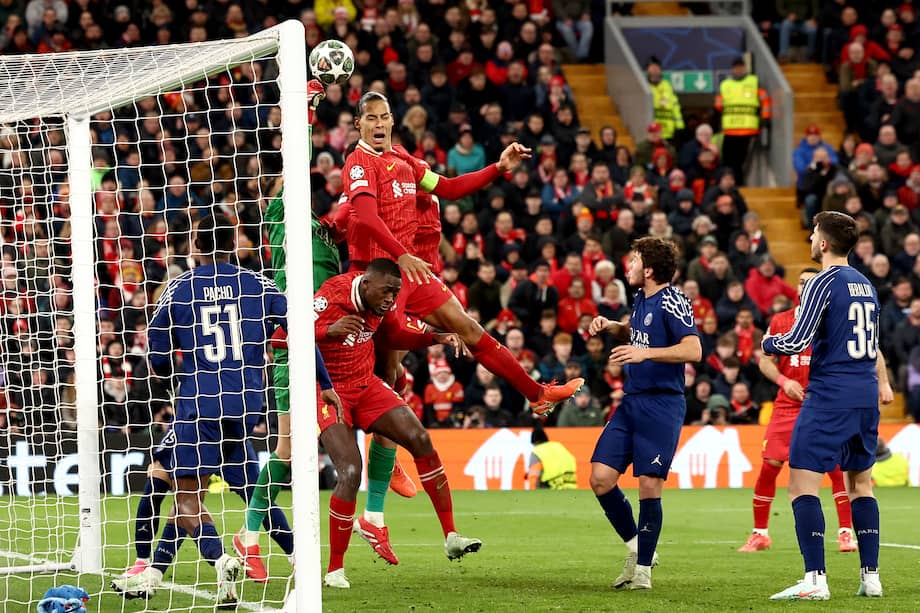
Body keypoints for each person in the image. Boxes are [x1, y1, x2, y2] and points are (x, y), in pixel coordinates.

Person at [112, 214, 292, 606]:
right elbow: (295, 327)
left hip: (199, 404)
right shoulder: (259, 283)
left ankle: (207, 560)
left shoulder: (179, 287)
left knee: (175, 490)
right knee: (249, 490)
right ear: (237, 242)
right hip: (246, 403)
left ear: (195, 244)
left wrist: (168, 379)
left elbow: (156, 354)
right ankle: (298, 557)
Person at [308, 259, 481, 587]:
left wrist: (436, 337)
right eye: (387, 291)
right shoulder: (332, 295)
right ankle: (334, 570)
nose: (391, 299)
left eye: (395, 293)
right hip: (329, 392)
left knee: (419, 438)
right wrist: (327, 331)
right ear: (367, 283)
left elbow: (397, 332)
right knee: (349, 471)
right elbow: (279, 337)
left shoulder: (381, 304)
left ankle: (451, 535)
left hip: (365, 385)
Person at [763, 211, 894, 601]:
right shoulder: (865, 284)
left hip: (829, 395)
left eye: (813, 235)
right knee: (860, 483)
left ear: (823, 243)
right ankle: (871, 577)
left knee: (801, 482)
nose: (810, 240)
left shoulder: (823, 281)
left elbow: (797, 338)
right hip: (864, 396)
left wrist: (768, 343)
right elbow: (870, 346)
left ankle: (815, 579)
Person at [587, 237, 702, 590]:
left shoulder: (674, 299)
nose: (629, 266)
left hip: (662, 404)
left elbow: (693, 349)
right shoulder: (641, 298)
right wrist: (612, 326)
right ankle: (639, 548)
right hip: (632, 401)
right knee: (600, 478)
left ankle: (643, 573)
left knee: (650, 486)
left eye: (634, 260)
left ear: (649, 270)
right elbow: (636, 330)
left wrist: (645, 353)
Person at [738, 268, 857, 554]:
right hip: (788, 405)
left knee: (836, 467)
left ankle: (845, 533)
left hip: (823, 404)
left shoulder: (832, 320)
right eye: (801, 282)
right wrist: (784, 380)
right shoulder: (781, 321)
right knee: (770, 465)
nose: (805, 286)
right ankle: (759, 534)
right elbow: (764, 360)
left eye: (810, 282)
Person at [714, 58, 771, 185]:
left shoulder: (754, 82)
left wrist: (765, 118)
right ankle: (732, 184)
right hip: (730, 131)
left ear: (745, 68)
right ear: (732, 69)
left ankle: (739, 185)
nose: (739, 70)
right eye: (736, 67)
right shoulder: (725, 85)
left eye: (741, 67)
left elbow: (765, 100)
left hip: (748, 130)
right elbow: (718, 105)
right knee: (728, 161)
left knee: (742, 162)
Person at [528, 425, 577, 489]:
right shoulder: (559, 446)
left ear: (534, 443)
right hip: (571, 486)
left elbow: (534, 478)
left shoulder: (537, 451)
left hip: (551, 489)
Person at [646, 56, 683, 141]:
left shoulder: (667, 85)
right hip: (652, 132)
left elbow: (675, 105)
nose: (654, 70)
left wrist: (679, 126)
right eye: (652, 68)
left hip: (669, 132)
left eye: (657, 68)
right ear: (648, 70)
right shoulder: (645, 86)